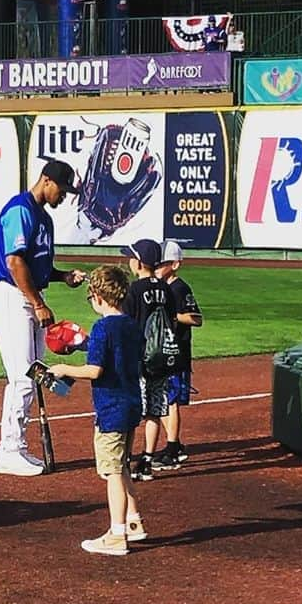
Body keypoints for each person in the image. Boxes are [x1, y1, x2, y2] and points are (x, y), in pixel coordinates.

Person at [0, 159, 85, 477]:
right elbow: (15, 263)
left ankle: (18, 447)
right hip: (11, 298)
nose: (64, 197)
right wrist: (38, 303)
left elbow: (36, 266)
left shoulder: (44, 219)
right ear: (46, 181)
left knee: (35, 374)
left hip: (28, 298)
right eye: (63, 190)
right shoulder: (20, 210)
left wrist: (62, 276)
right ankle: (9, 450)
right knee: (23, 376)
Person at [49, 265, 145, 556]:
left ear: (99, 297)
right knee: (124, 465)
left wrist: (63, 368)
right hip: (131, 403)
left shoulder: (103, 327)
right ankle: (133, 522)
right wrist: (85, 344)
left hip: (111, 407)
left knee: (112, 471)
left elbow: (95, 370)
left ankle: (117, 536)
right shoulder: (131, 324)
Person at [121, 238, 178, 480]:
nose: (129, 261)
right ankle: (146, 460)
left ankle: (124, 459)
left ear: (140, 262)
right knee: (154, 411)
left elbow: (127, 324)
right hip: (162, 358)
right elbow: (172, 319)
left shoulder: (134, 290)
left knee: (133, 411)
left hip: (140, 358)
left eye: (131, 257)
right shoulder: (166, 288)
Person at [156, 242, 203, 464]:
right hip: (161, 352)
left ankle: (173, 448)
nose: (156, 267)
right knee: (162, 398)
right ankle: (175, 442)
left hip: (176, 353)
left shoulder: (180, 288)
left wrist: (171, 317)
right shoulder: (159, 287)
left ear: (175, 265)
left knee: (169, 400)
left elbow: (196, 318)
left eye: (162, 263)